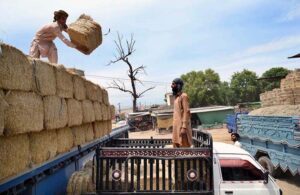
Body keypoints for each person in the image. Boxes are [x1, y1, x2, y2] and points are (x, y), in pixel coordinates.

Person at [171, 78, 193, 148]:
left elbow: (186, 112)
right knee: (176, 147)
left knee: (184, 147)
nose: (171, 86)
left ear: (178, 85)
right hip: (176, 127)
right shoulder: (176, 98)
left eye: (173, 84)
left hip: (182, 128)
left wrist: (184, 127)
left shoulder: (184, 96)